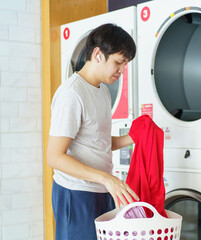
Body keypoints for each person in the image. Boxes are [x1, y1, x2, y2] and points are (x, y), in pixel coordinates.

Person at [47, 23, 139, 240]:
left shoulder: (103, 92)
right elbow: (55, 157)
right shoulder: (71, 94)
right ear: (98, 54)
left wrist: (134, 137)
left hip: (100, 190)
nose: (122, 71)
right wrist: (107, 179)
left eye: (125, 64)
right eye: (118, 62)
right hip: (75, 193)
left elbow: (97, 140)